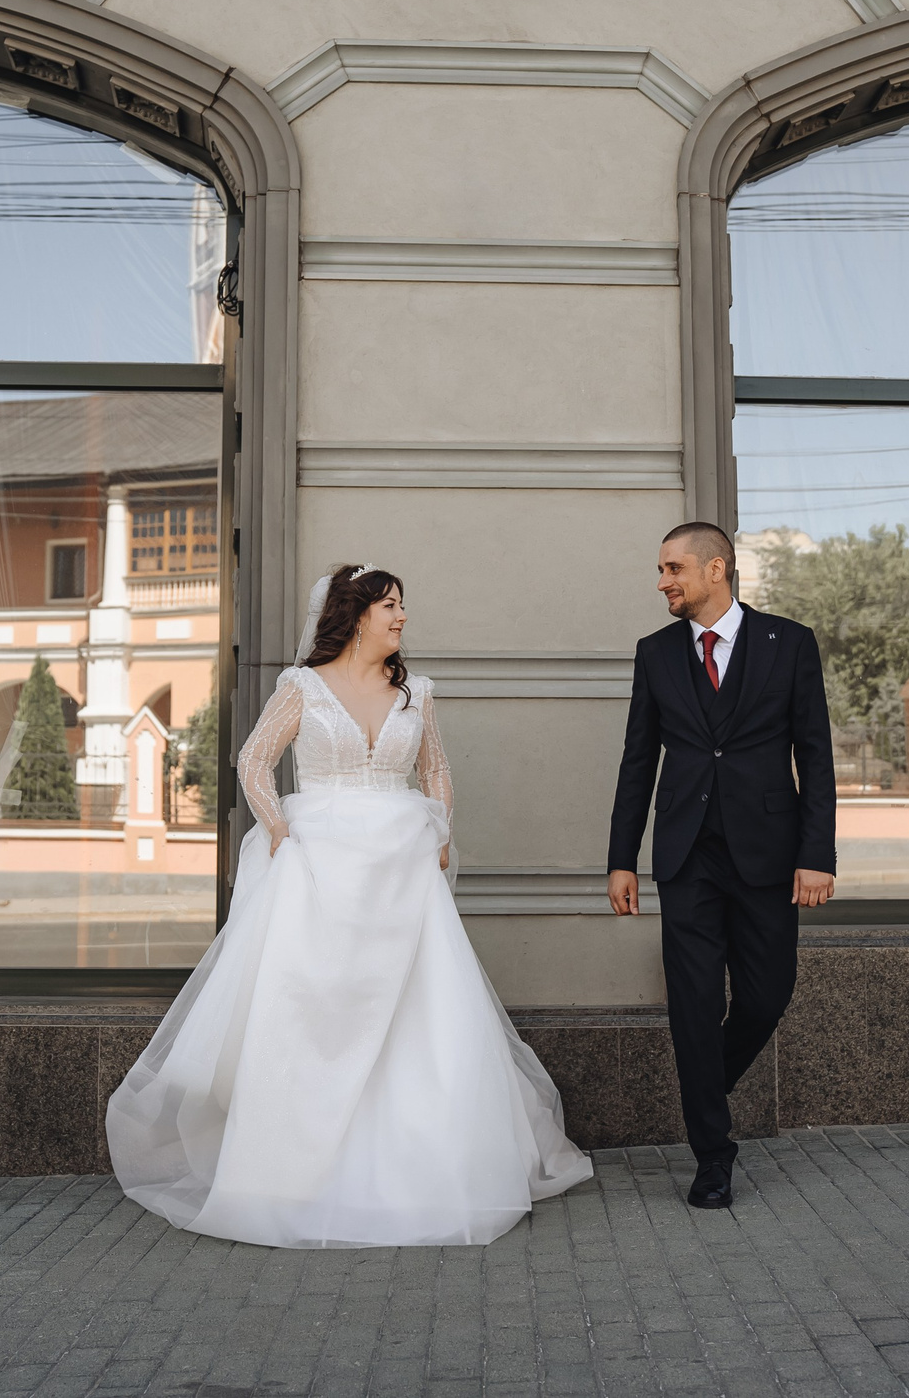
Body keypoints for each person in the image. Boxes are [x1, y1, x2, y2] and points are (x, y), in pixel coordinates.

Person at [109, 564, 593, 1248]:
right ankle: (291, 1167)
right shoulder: (302, 686)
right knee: (314, 1008)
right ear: (357, 613)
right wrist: (279, 827)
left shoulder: (416, 692)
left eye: (402, 605)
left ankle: (421, 1168)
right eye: (390, 605)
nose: (402, 616)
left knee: (418, 1010)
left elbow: (435, 769)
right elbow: (253, 759)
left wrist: (441, 833)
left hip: (401, 868)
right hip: (320, 868)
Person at [607, 522, 837, 1209]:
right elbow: (638, 761)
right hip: (687, 856)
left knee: (767, 995)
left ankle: (705, 1086)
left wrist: (816, 855)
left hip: (768, 853)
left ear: (717, 569)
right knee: (694, 1005)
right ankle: (713, 1154)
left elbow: (815, 754)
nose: (662, 582)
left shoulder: (788, 642)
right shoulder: (655, 653)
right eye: (660, 569)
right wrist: (621, 859)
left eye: (673, 568)